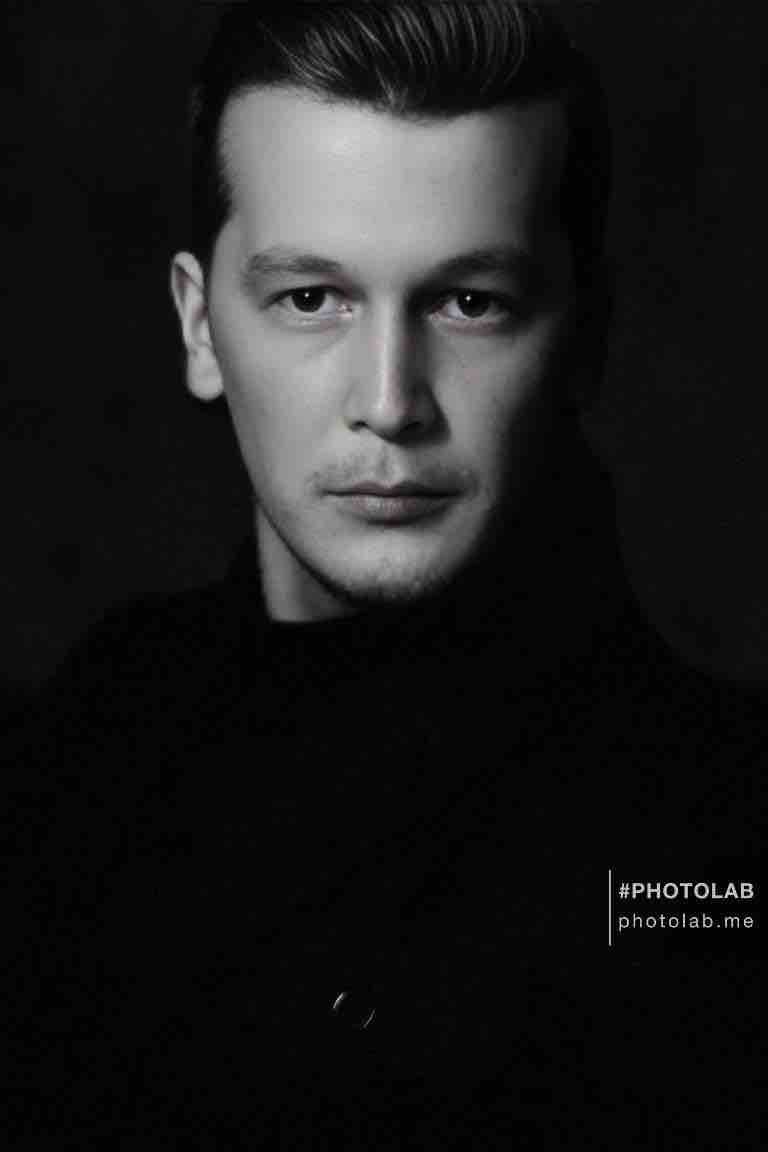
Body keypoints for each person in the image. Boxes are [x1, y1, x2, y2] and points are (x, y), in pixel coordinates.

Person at [6, 3, 763, 1146]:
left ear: (586, 337)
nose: (390, 401)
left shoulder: (720, 837)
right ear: (201, 329)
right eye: (311, 298)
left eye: (471, 302)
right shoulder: (75, 762)